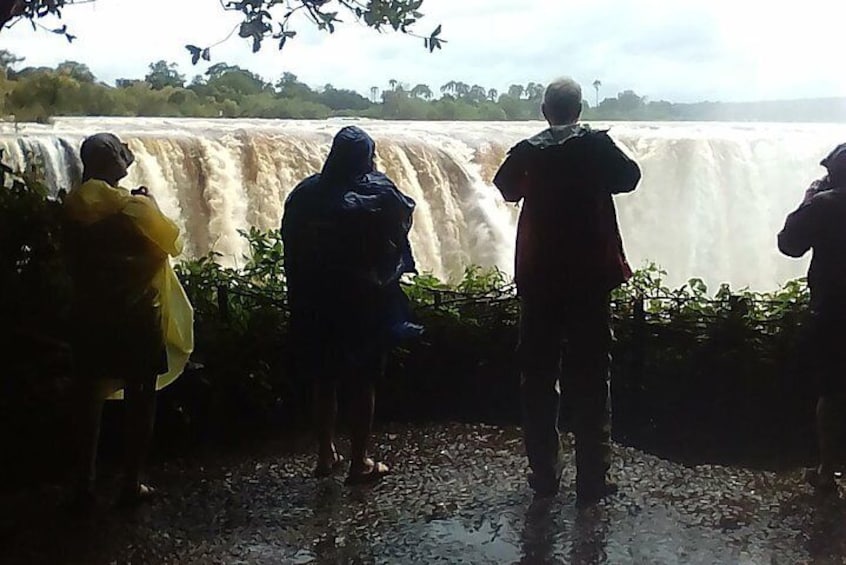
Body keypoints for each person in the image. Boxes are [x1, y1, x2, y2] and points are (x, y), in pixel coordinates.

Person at [493, 78, 641, 505]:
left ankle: (545, 474)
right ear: (579, 109)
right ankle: (592, 479)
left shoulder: (528, 151)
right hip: (589, 277)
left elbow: (505, 187)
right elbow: (629, 178)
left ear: (545, 111)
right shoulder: (596, 147)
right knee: (592, 374)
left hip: (540, 277)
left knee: (537, 375)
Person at [281, 126, 420, 485]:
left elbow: (291, 245)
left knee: (323, 378)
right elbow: (401, 226)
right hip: (365, 303)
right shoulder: (380, 191)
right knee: (362, 381)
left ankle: (325, 454)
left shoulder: (305, 194)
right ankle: (359, 461)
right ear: (365, 158)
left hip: (316, 302)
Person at [64, 133, 194, 508]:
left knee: (88, 400)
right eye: (121, 153)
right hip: (138, 316)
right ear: (111, 164)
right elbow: (169, 243)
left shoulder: (73, 206)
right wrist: (148, 203)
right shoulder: (133, 209)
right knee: (141, 399)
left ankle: (83, 484)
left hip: (89, 315)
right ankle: (131, 482)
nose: (127, 156)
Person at [778, 143, 846, 493]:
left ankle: (828, 470)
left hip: (834, 308)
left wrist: (808, 199)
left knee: (832, 391)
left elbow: (789, 244)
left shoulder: (824, 205)